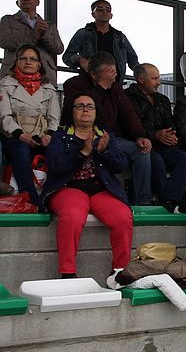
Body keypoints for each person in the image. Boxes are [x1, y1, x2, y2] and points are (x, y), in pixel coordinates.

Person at [42, 93, 132, 278]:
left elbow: (121, 165)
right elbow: (55, 166)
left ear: (96, 112)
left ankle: (120, 272)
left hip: (100, 189)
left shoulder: (105, 135)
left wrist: (105, 151)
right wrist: (83, 152)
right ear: (72, 112)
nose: (85, 110)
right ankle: (68, 273)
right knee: (73, 216)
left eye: (90, 106)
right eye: (80, 106)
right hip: (69, 187)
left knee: (123, 217)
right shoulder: (60, 135)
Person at [61, 51, 153, 206]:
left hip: (112, 137)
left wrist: (140, 135)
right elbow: (82, 114)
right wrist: (101, 88)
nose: (114, 76)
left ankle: (143, 202)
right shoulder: (73, 85)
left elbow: (128, 112)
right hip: (83, 137)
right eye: (109, 72)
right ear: (94, 74)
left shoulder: (115, 87)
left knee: (142, 151)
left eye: (115, 71)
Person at [0, 44, 60, 207]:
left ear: (39, 64)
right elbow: (4, 116)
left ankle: (52, 196)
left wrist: (49, 135)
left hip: (43, 135)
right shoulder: (5, 84)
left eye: (32, 59)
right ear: (16, 62)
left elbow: (54, 118)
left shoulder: (49, 89)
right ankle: (31, 201)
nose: (28, 62)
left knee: (59, 150)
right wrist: (21, 135)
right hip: (15, 135)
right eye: (23, 58)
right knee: (21, 151)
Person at [126, 63, 186, 212]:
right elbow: (130, 127)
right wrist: (155, 135)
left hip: (164, 145)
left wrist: (171, 135)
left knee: (185, 157)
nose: (158, 82)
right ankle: (166, 199)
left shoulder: (163, 99)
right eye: (154, 78)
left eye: (158, 78)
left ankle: (171, 199)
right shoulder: (127, 98)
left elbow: (171, 123)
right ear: (141, 79)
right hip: (143, 144)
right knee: (157, 161)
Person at [0, 0, 63, 84]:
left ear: (37, 2)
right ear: (17, 3)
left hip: (45, 76)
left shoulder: (49, 25)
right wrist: (34, 35)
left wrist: (45, 34)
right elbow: (4, 41)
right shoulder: (7, 20)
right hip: (13, 75)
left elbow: (58, 49)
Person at [62, 0, 138, 81]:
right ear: (93, 14)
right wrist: (81, 60)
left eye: (108, 10)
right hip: (91, 83)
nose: (104, 12)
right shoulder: (83, 34)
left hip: (115, 84)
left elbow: (133, 60)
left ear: (111, 15)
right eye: (100, 9)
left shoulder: (120, 37)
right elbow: (67, 56)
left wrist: (143, 73)